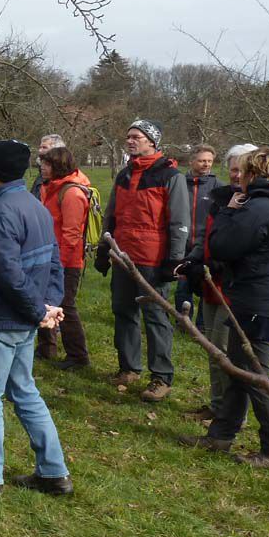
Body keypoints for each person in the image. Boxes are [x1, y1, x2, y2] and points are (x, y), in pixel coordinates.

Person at [0, 139, 72, 496]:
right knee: (24, 391)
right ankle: (53, 472)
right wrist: (49, 305)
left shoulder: (2, 213)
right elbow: (53, 261)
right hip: (24, 318)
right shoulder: (34, 205)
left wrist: (41, 310)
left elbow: (8, 274)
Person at [180, 147, 269, 467]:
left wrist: (228, 211)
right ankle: (221, 434)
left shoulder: (259, 208)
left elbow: (222, 246)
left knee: (254, 374)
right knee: (239, 369)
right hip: (266, 296)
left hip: (258, 299)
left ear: (254, 174)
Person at [94, 120, 188, 403]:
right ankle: (128, 368)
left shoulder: (170, 176)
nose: (130, 141)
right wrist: (103, 249)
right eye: (128, 136)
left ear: (152, 141)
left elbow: (180, 221)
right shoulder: (123, 175)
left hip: (153, 259)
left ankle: (161, 377)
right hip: (123, 255)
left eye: (137, 137)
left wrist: (174, 260)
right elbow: (111, 213)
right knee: (123, 312)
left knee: (156, 317)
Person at [176, 144, 255, 423]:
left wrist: (218, 259)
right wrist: (193, 260)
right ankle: (217, 404)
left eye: (242, 170)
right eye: (233, 169)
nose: (236, 175)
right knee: (212, 348)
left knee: (226, 353)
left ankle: (232, 415)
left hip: (234, 290)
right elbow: (206, 237)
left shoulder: (255, 205)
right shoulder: (221, 197)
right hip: (211, 284)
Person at [35, 147, 93, 369]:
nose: (42, 167)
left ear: (58, 167)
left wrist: (60, 265)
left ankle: (78, 356)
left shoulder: (70, 193)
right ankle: (46, 347)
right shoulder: (51, 188)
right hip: (50, 256)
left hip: (66, 261)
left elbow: (71, 235)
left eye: (47, 164)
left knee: (66, 306)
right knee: (45, 301)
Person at [177, 144, 222, 322]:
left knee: (206, 285)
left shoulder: (218, 187)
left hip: (206, 246)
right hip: (182, 244)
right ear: (191, 161)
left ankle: (203, 325)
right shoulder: (179, 183)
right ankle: (183, 322)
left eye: (209, 161)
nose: (206, 164)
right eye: (202, 160)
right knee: (182, 287)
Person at [29, 133, 66, 198]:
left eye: (44, 147)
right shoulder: (42, 172)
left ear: (57, 150)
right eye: (40, 147)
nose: (40, 150)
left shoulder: (61, 175)